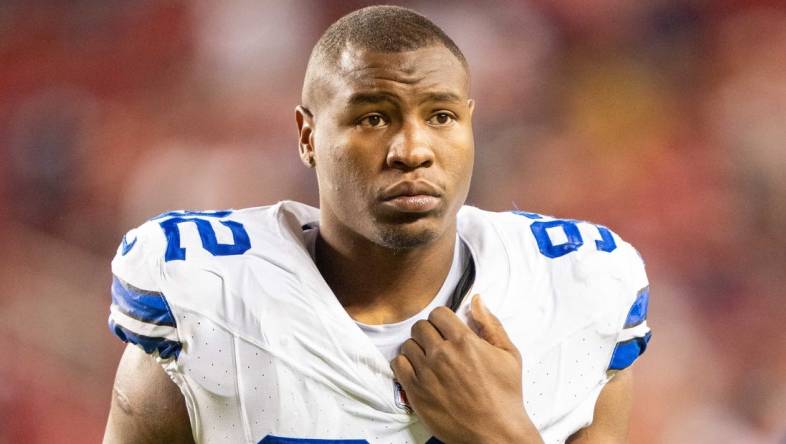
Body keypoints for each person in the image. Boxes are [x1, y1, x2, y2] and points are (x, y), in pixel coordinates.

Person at [103, 5, 651, 444]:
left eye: (441, 117)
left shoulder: (575, 286)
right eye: (373, 117)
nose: (412, 150)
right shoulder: (206, 298)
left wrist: (503, 436)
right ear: (308, 135)